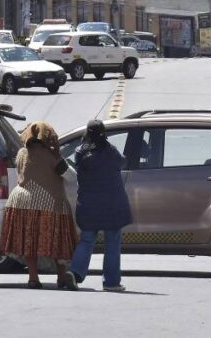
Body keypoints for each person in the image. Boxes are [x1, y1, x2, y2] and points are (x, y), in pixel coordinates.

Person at [0, 121, 78, 289]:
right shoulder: (52, 156)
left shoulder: (21, 153)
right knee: (58, 242)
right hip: (51, 204)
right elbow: (71, 177)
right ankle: (61, 277)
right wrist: (59, 158)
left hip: (20, 202)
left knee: (29, 242)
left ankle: (33, 278)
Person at [64, 120, 132, 292]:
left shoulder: (80, 153)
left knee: (87, 240)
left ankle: (75, 273)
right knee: (112, 242)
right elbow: (122, 163)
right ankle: (111, 282)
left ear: (87, 133)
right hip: (112, 205)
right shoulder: (111, 151)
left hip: (88, 205)